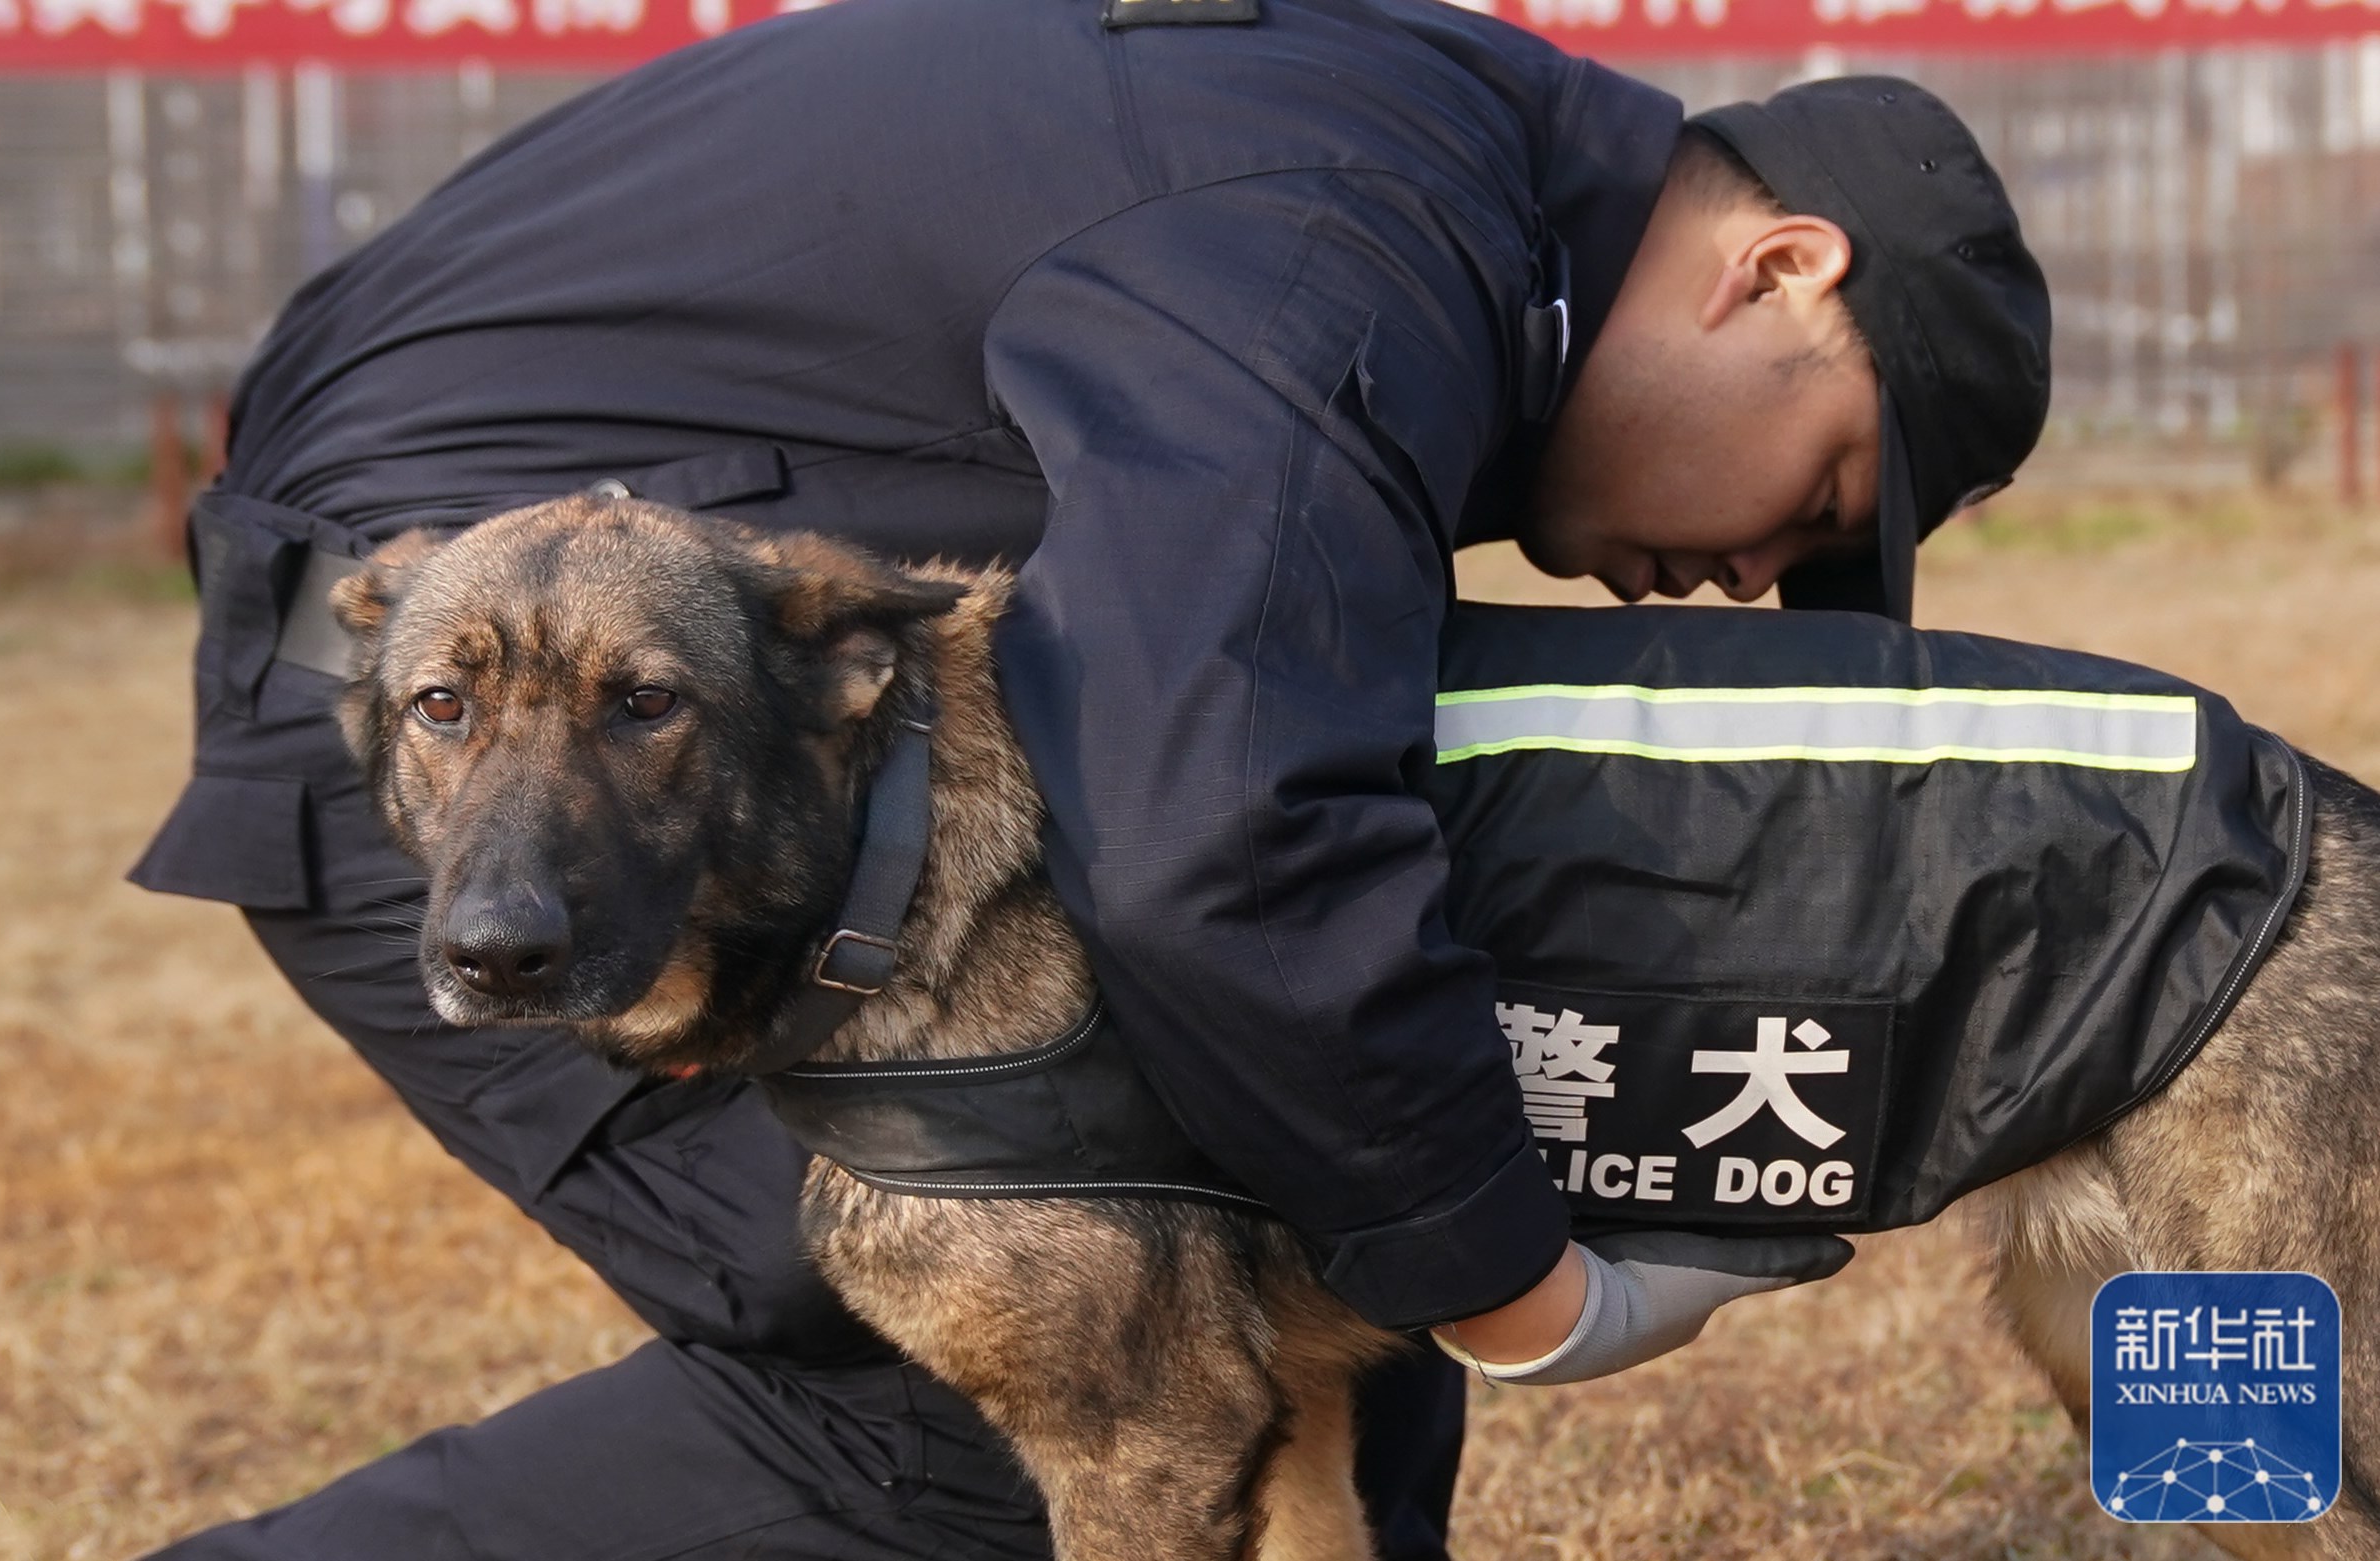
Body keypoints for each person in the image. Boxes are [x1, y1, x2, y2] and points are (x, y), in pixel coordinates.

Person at [126, 0, 2050, 1550]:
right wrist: (1523, 1286)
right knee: (1036, 1379)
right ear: (1781, 273)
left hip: (622, 654)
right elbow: (1224, 824)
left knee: (1257, 1242)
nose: (1751, 579)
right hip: (479, 707)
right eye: (1824, 500)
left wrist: (1425, 1223)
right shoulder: (1346, 228)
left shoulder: (1418, 159)